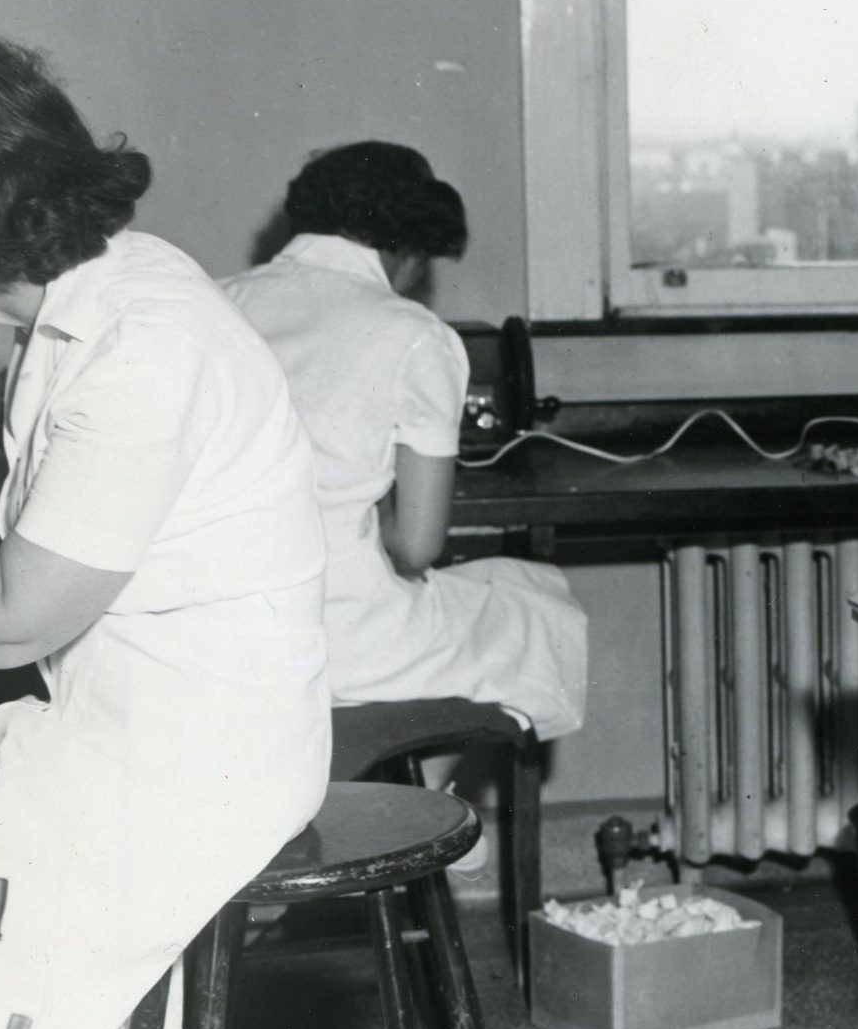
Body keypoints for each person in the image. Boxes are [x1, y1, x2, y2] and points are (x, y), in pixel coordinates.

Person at [0, 29, 329, 1029]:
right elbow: (37, 508)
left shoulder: (143, 345)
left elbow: (8, 620)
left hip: (201, 755)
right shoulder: (98, 294)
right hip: (134, 722)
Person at [223, 143, 586, 739]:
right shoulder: (415, 334)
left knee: (511, 592)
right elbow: (415, 547)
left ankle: (403, 796)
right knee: (541, 611)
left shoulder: (216, 299)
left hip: (222, 631)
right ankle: (427, 809)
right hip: (341, 637)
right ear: (409, 248)